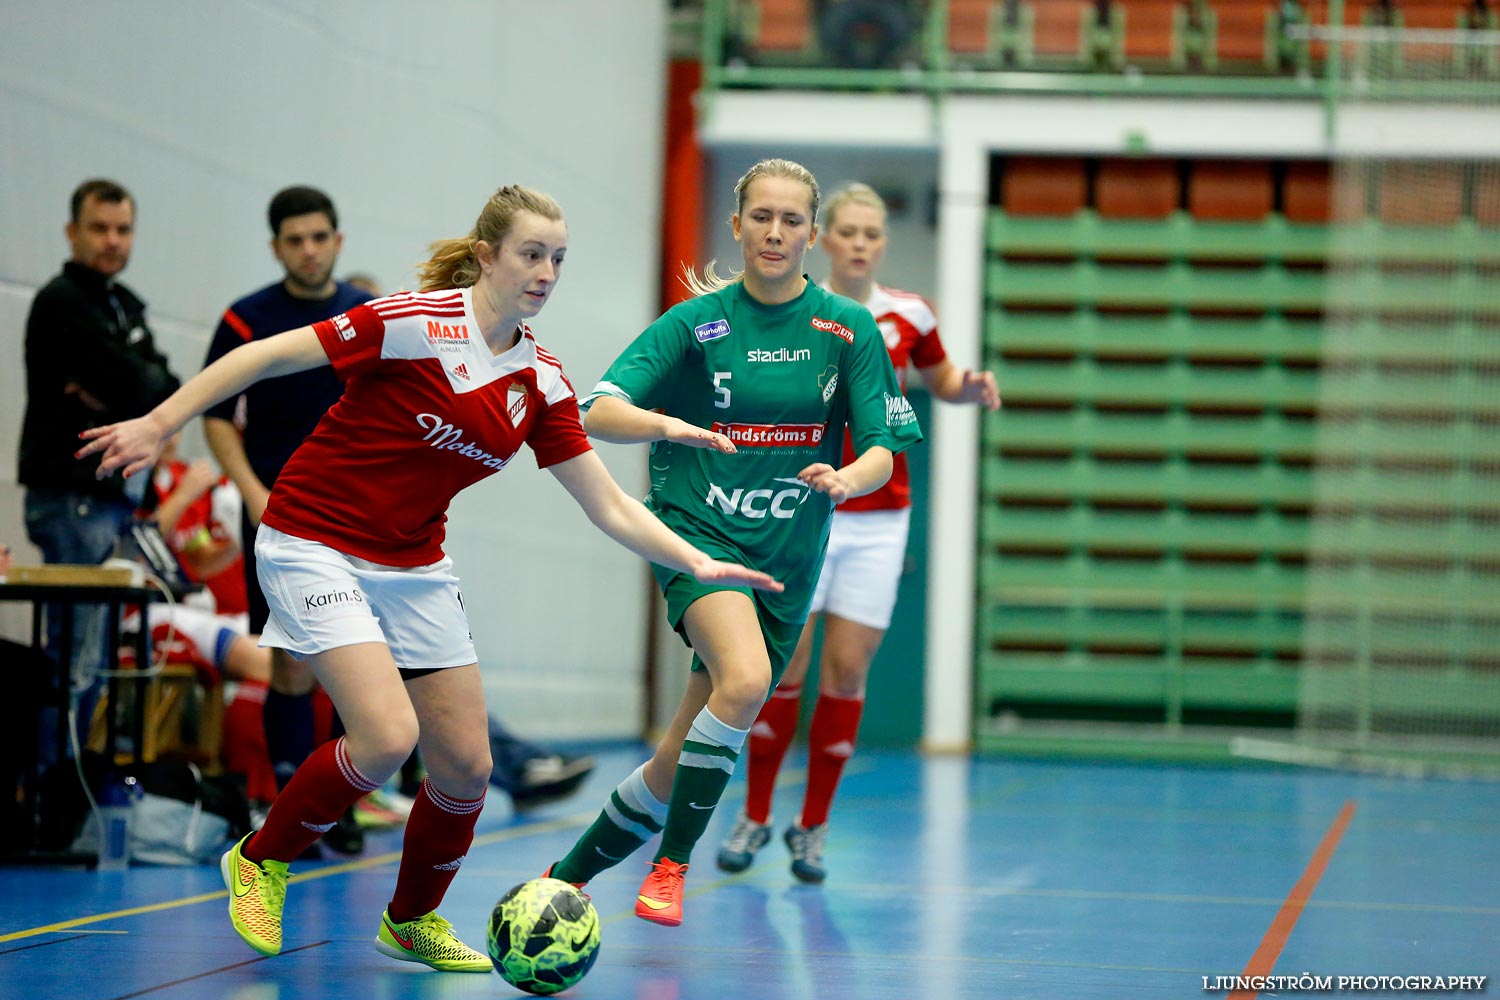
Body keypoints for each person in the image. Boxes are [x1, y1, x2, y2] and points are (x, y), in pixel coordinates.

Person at [78, 183, 781, 971]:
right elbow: (262, 357)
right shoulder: (414, 322)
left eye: (558, 259)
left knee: (467, 764)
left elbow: (610, 505)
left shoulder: (540, 382)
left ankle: (410, 919)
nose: (546, 272)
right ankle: (258, 857)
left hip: (412, 561)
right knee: (385, 737)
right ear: (486, 256)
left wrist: (695, 557)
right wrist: (158, 423)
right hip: (312, 538)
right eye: (530, 254)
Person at [542, 159, 923, 928]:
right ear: (738, 225)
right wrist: (666, 424)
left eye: (790, 221)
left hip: (787, 555)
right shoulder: (697, 323)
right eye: (761, 217)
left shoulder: (847, 328)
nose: (775, 233)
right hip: (699, 536)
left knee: (676, 754)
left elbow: (884, 444)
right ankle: (672, 867)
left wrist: (850, 476)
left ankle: (564, 878)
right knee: (746, 681)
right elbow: (598, 408)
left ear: (810, 235)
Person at [717, 182, 1000, 884]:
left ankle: (812, 827)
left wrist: (972, 387)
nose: (860, 244)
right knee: (786, 667)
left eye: (872, 234)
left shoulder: (909, 317)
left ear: (882, 243)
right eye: (848, 232)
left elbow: (941, 378)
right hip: (801, 509)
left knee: (847, 671)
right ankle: (754, 814)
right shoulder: (800, 314)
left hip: (878, 519)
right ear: (825, 237)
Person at [201, 185, 376, 855]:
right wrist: (249, 489)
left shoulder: (368, 315)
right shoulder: (247, 320)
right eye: (294, 240)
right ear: (277, 247)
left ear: (338, 240)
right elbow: (216, 415)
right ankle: (286, 804)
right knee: (291, 667)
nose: (308, 250)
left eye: (319, 237)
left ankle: (341, 805)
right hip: (277, 516)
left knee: (352, 662)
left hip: (357, 519)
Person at [18, 178, 181, 764]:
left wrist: (131, 393)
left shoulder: (121, 304)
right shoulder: (64, 300)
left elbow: (162, 385)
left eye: (122, 229)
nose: (112, 240)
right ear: (72, 232)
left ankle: (64, 785)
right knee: (76, 654)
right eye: (99, 228)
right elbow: (136, 383)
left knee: (93, 653)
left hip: (108, 501)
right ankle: (47, 790)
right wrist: (135, 391)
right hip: (71, 498)